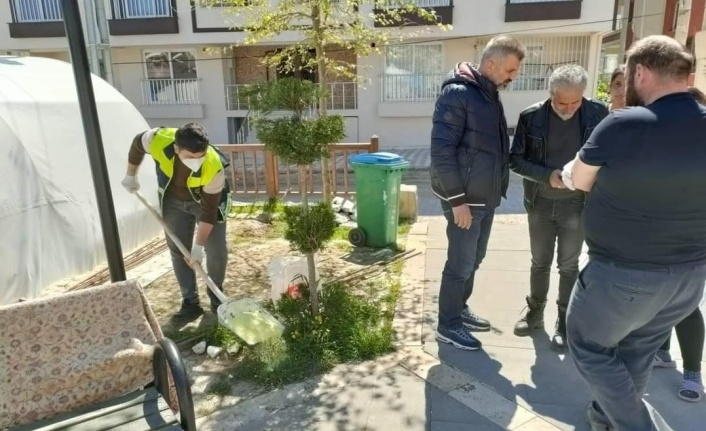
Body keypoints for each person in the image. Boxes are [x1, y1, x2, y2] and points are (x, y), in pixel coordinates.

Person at [562, 35, 706, 431]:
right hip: (690, 279)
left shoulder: (624, 123)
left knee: (589, 346)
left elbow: (581, 179)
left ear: (640, 72)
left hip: (624, 276)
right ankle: (606, 418)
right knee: (637, 351)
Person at [430, 35, 525, 351]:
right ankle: (448, 325)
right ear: (491, 63)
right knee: (459, 263)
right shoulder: (459, 93)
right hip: (465, 201)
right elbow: (442, 151)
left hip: (484, 198)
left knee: (474, 259)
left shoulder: (488, 93)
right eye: (510, 69)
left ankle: (459, 308)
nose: (513, 76)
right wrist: (457, 200)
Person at [509, 64, 608, 351]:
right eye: (561, 102)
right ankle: (535, 312)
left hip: (577, 205)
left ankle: (564, 320)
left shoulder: (597, 114)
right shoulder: (531, 116)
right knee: (539, 263)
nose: (568, 108)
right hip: (540, 203)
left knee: (568, 265)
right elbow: (515, 160)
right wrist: (546, 175)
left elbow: (606, 157)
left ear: (583, 95)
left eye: (575, 102)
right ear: (550, 93)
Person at [121, 123, 231, 320]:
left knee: (216, 249)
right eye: (190, 157)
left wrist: (198, 247)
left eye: (201, 156)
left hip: (205, 201)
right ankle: (190, 302)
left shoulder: (214, 166)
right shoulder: (158, 139)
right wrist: (131, 175)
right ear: (177, 149)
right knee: (179, 250)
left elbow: (209, 213)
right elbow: (137, 145)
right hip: (172, 201)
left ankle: (216, 296)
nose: (196, 161)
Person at [651, 85, 706, 403]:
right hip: (659, 237)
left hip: (692, 242)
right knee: (659, 302)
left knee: (686, 307)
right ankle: (662, 352)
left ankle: (693, 374)